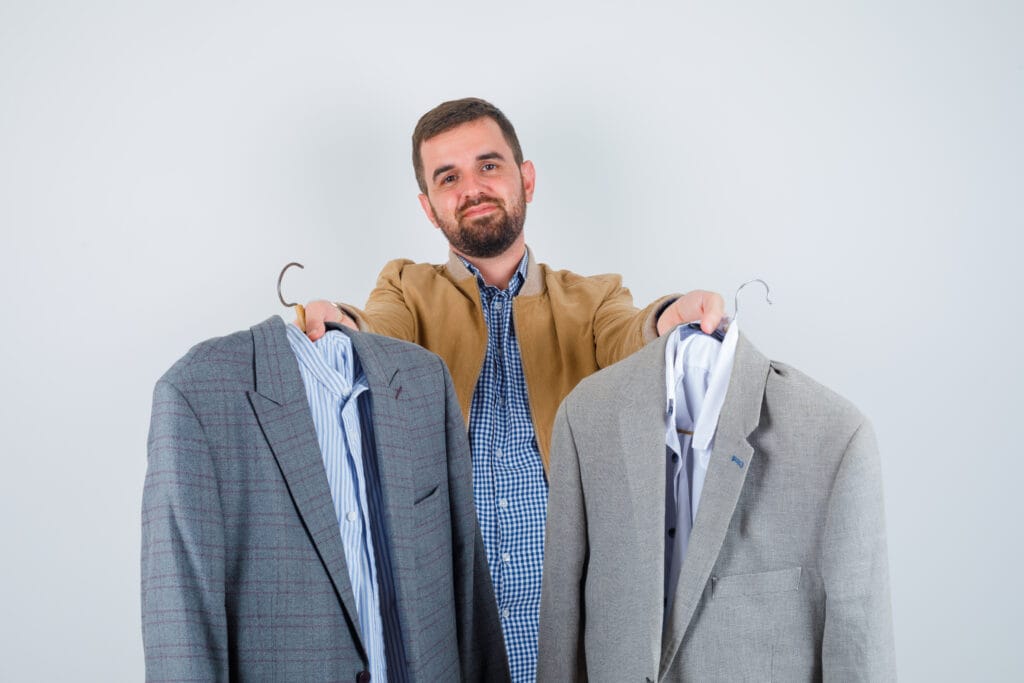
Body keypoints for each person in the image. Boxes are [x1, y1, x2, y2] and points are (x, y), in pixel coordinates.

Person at [299, 97, 725, 682]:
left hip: (564, 632)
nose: (471, 187)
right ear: (429, 208)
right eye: (448, 177)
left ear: (525, 178)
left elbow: (630, 338)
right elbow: (377, 336)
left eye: (488, 165)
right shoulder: (403, 289)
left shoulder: (595, 298)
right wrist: (340, 324)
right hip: (446, 625)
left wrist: (667, 319)